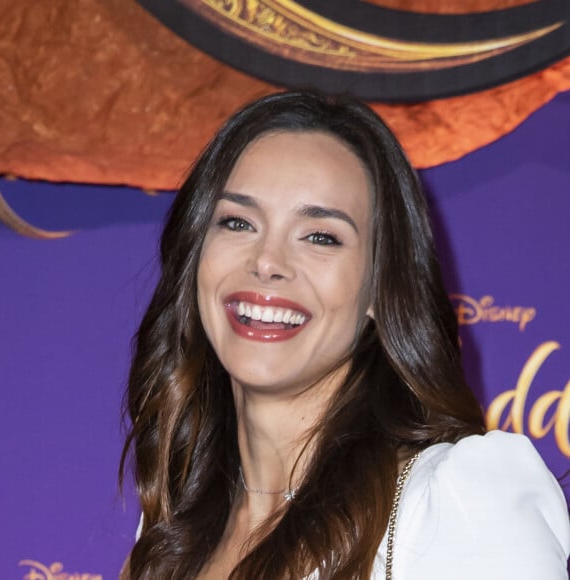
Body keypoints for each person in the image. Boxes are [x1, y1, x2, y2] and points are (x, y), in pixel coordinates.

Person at [119, 90, 569, 579]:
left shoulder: (453, 501)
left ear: (380, 285)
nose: (267, 261)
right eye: (237, 222)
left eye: (320, 237)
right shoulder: (171, 528)